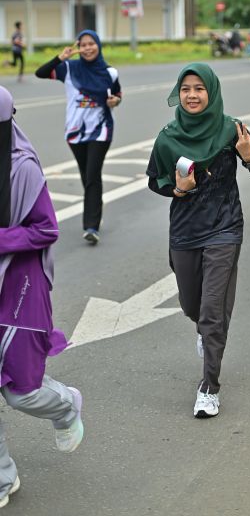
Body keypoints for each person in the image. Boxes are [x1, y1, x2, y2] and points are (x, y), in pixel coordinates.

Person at [146, 63, 250, 418]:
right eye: (186, 89)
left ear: (211, 92)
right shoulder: (167, 137)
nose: (192, 95)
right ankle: (203, 328)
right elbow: (155, 180)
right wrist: (177, 189)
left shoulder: (232, 129)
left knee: (213, 312)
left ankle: (209, 388)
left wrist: (249, 157)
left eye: (199, 88)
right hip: (185, 231)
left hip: (225, 228)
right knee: (192, 305)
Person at [0, 86, 84, 509]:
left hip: (21, 287)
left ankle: (66, 406)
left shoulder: (22, 168)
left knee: (21, 392)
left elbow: (46, 228)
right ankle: (3, 478)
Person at [35, 29, 122, 244]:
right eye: (83, 45)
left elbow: (117, 94)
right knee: (86, 175)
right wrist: (60, 57)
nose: (87, 48)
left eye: (91, 43)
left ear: (98, 45)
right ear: (78, 48)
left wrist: (115, 101)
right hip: (74, 132)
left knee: (92, 174)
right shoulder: (68, 69)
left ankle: (91, 226)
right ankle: (95, 206)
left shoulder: (110, 72)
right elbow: (40, 73)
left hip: (101, 130)